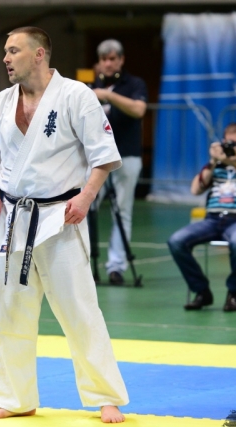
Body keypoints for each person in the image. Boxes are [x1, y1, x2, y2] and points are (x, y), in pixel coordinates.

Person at [0, 27, 129, 423]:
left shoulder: (76, 96)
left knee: (79, 310)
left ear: (39, 54)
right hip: (12, 220)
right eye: (6, 51)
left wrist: (86, 196)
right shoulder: (1, 103)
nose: (6, 58)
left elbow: (103, 155)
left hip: (60, 218)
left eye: (14, 51)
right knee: (9, 314)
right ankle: (15, 397)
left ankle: (106, 396)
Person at [167, 123, 236, 312]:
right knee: (176, 241)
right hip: (212, 219)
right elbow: (195, 189)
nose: (235, 147)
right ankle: (202, 291)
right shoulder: (217, 165)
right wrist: (213, 161)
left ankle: (234, 292)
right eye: (231, 143)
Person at [91, 39, 147, 285]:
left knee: (122, 211)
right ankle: (84, 264)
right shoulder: (90, 86)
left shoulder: (134, 84)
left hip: (126, 156)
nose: (108, 63)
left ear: (121, 60)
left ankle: (116, 267)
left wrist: (107, 96)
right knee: (86, 208)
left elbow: (138, 110)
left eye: (112, 58)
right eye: (104, 59)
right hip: (95, 159)